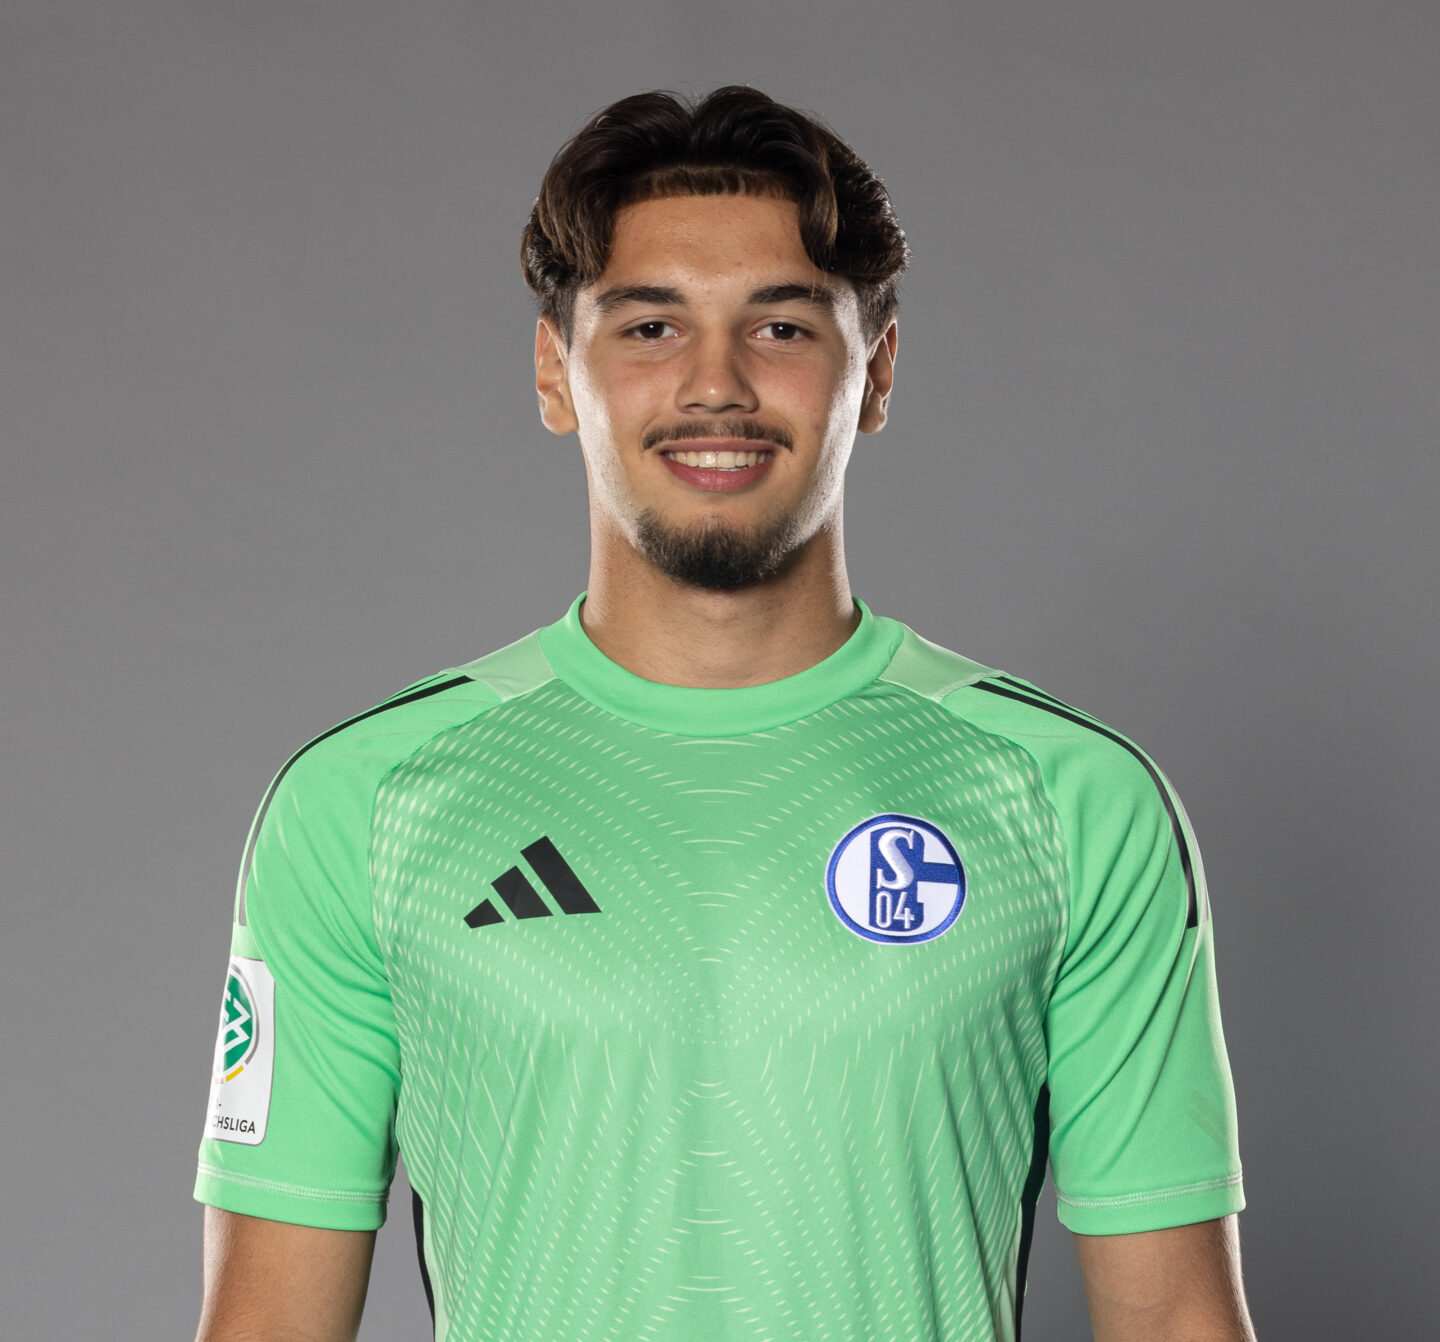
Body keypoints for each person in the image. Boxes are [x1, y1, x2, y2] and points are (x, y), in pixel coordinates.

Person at [193, 86, 1255, 1342]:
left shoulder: (1072, 799)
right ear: (555, 371)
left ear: (876, 373)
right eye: (651, 326)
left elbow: (1177, 1317)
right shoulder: (361, 805)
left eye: (782, 327)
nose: (717, 384)